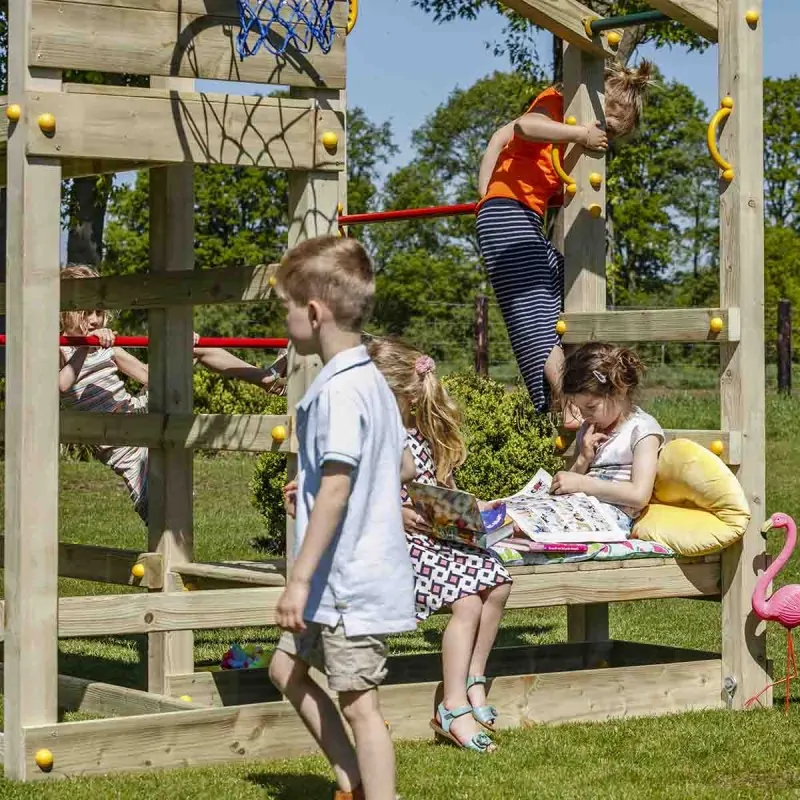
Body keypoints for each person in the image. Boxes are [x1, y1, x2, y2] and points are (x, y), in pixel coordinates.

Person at [268, 237, 416, 800]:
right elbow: (400, 464)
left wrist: (297, 579)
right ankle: (352, 783)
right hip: (338, 579)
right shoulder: (370, 380)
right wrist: (309, 490)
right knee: (284, 670)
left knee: (360, 705)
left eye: (286, 306)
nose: (284, 317)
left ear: (313, 312)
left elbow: (338, 487)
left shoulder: (339, 391)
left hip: (346, 583)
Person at [476, 61, 653, 425]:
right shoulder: (556, 103)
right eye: (607, 128)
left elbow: (498, 137)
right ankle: (569, 399)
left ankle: (574, 390)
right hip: (508, 214)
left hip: (517, 216)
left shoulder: (564, 126)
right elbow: (524, 127)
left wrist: (485, 195)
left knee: (569, 285)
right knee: (535, 313)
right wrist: (581, 135)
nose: (604, 137)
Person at [368, 337, 512, 754]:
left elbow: (442, 489)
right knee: (466, 602)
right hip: (399, 542)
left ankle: (473, 678)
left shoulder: (422, 434)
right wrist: (397, 514)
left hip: (434, 535)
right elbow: (361, 493)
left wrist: (475, 507)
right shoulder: (377, 435)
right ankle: (452, 706)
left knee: (497, 581)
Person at [59, 264, 287, 523]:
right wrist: (84, 348)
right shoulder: (60, 349)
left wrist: (177, 350)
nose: (94, 320)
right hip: (124, 445)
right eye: (85, 313)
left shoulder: (107, 348)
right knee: (162, 512)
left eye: (98, 312)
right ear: (66, 314)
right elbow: (62, 385)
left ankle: (267, 378)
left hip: (138, 412)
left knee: (192, 344)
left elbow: (147, 376)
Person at [553, 342, 663, 527]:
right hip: (580, 508)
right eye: (579, 409)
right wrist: (583, 460)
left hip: (610, 517)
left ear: (619, 390)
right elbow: (569, 482)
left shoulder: (642, 430)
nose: (584, 416)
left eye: (591, 407)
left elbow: (639, 495)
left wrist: (582, 484)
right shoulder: (589, 429)